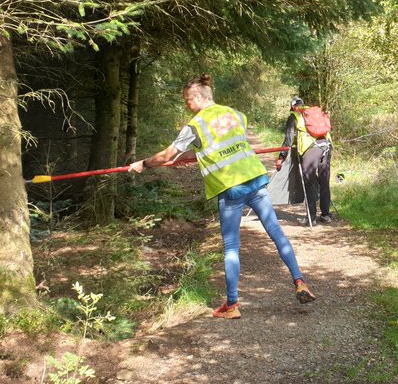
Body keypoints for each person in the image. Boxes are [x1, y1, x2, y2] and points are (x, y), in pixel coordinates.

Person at [129, 74, 316, 319]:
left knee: (231, 247)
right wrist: (189, 158)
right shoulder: (234, 114)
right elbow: (224, 145)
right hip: (255, 179)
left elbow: (166, 155)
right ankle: (300, 281)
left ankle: (232, 305)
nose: (186, 105)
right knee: (276, 233)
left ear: (198, 96)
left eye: (187, 100)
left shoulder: (195, 124)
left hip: (230, 188)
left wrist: (143, 163)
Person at [275, 97, 334, 226]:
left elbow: (288, 140)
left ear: (292, 107)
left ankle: (311, 218)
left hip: (310, 149)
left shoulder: (295, 116)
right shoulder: (315, 113)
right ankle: (325, 215)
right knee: (324, 181)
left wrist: (281, 157)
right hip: (327, 147)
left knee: (309, 183)